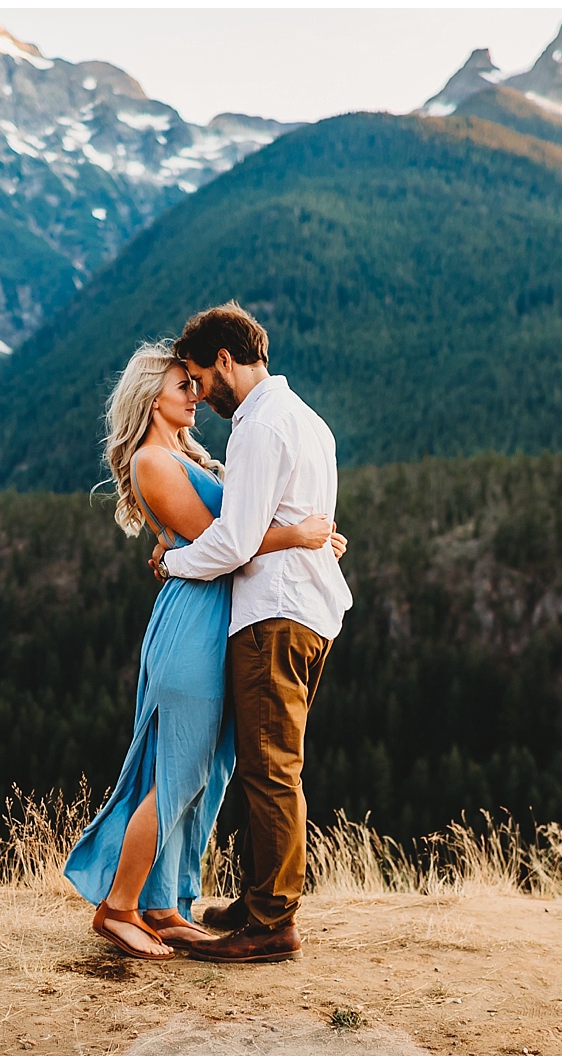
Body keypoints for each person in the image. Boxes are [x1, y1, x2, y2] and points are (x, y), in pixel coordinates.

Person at [63, 340, 346, 960]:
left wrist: (304, 541)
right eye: (182, 385)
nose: (196, 393)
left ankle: (164, 906)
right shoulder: (152, 462)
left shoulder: (189, 456)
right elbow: (222, 540)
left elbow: (240, 528)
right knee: (178, 770)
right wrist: (297, 535)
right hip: (193, 622)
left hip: (221, 617)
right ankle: (118, 908)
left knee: (208, 773)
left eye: (194, 381)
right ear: (149, 398)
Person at [151, 302, 353, 964]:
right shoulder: (308, 421)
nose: (201, 396)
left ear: (225, 361)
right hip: (308, 611)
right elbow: (306, 520)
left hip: (274, 615)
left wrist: (173, 561)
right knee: (270, 765)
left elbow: (235, 540)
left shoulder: (259, 428)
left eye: (201, 380)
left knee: (269, 770)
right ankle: (263, 896)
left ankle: (272, 922)